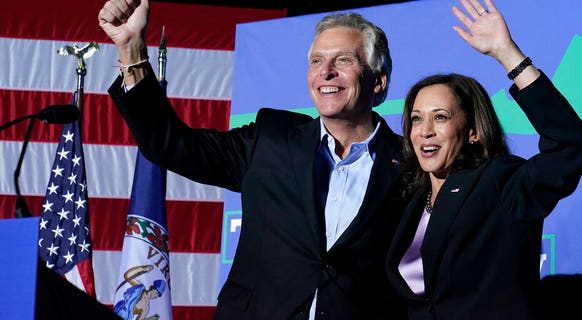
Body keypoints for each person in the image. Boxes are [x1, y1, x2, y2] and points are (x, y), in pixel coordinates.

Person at [98, 0, 407, 319]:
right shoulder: (270, 138)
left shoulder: (411, 165)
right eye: (316, 60)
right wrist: (132, 50)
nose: (325, 71)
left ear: (378, 80)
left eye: (343, 60)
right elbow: (169, 144)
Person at [386, 0, 582, 319]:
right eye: (415, 119)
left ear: (472, 132)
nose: (424, 131)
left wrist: (507, 53)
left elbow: (568, 144)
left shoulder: (501, 182)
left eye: (440, 117)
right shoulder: (411, 200)